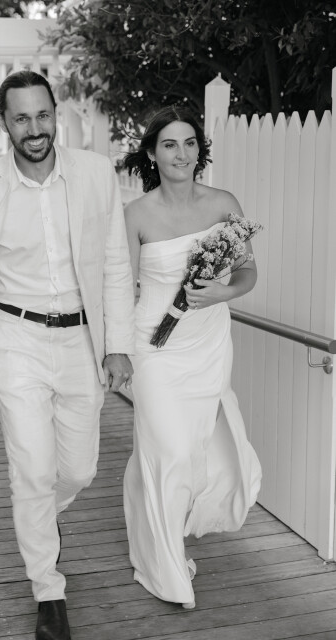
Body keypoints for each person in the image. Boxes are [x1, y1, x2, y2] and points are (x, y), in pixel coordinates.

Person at [0, 70, 135, 640]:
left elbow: (115, 262)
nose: (36, 129)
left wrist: (119, 346)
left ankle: (40, 522)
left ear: (56, 114)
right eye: (22, 118)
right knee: (31, 471)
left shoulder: (96, 173)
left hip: (81, 340)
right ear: (4, 123)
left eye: (43, 115)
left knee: (78, 469)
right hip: (16, 340)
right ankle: (47, 589)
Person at [122, 105, 261, 609]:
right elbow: (121, 289)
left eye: (188, 143)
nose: (181, 153)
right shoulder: (135, 215)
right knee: (172, 450)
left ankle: (157, 534)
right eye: (169, 144)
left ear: (199, 150)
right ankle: (166, 567)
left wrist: (222, 292)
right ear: (152, 154)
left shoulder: (224, 203)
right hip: (154, 347)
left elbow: (247, 273)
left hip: (208, 342)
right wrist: (117, 351)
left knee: (188, 448)